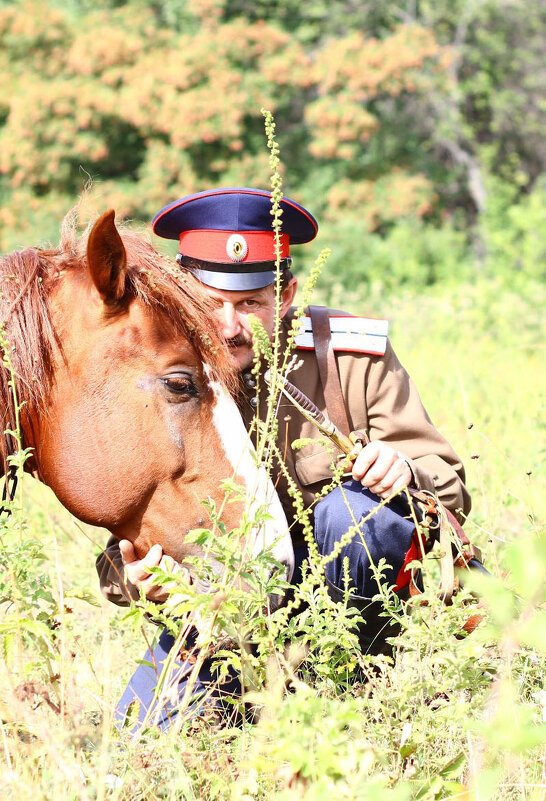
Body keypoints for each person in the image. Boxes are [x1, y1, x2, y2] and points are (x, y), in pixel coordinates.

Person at [97, 187, 471, 730]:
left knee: (355, 514)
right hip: (224, 616)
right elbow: (118, 555)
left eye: (251, 304)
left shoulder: (349, 355)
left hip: (346, 607)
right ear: (182, 295)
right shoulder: (155, 380)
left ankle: (350, 696)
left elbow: (450, 485)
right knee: (139, 741)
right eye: (210, 303)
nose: (229, 326)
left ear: (288, 293)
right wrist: (143, 581)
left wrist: (403, 468)